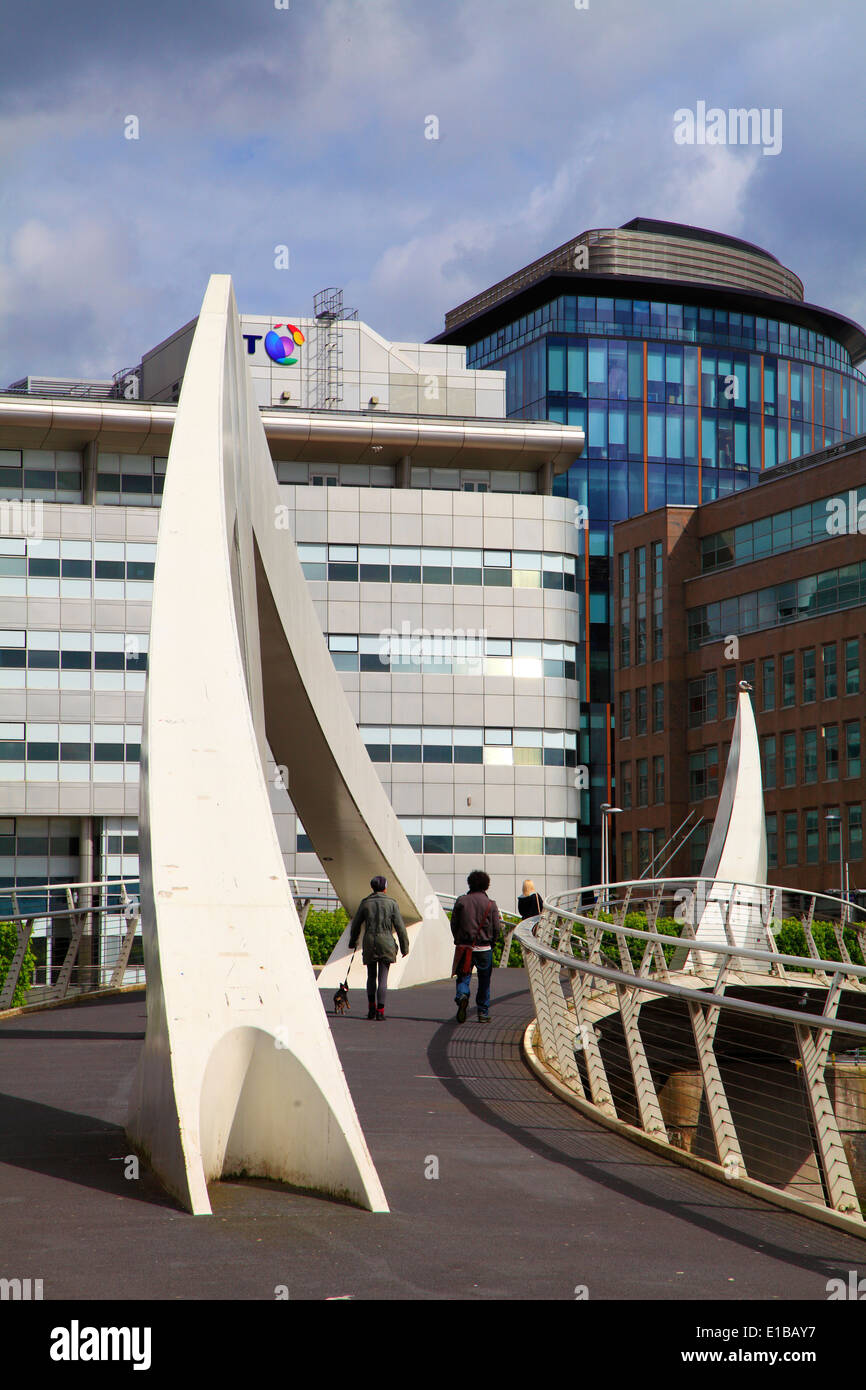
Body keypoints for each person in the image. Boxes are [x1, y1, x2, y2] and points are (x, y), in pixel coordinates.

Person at [348, 875, 409, 1020]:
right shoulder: (392, 903)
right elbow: (400, 927)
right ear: (385, 888)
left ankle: (371, 1009)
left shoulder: (365, 903)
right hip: (386, 942)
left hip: (370, 941)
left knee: (371, 976)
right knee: (383, 978)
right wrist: (404, 947)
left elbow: (356, 925)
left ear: (372, 887)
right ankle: (380, 1012)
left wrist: (353, 941)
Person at [450, 869, 503, 1024]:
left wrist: (458, 939)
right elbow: (497, 928)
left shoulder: (461, 901)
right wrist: (492, 942)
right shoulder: (490, 904)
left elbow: (454, 924)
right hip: (485, 948)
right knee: (484, 981)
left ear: (470, 883)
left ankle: (462, 995)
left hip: (465, 948)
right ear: (486, 885)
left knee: (463, 976)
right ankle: (483, 1013)